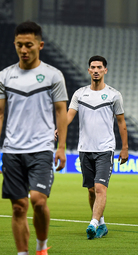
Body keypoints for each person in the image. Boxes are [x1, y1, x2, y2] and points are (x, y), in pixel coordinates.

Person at [0, 21, 68, 255]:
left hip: (41, 149)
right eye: (19, 45)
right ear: (15, 45)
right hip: (11, 150)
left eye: (29, 45)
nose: (23, 50)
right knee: (19, 208)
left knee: (38, 201)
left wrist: (61, 147)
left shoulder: (53, 75)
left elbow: (61, 111)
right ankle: (23, 253)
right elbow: (0, 113)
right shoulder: (5, 76)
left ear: (40, 45)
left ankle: (41, 247)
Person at [57, 55, 129, 240]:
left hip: (105, 149)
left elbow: (121, 123)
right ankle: (102, 223)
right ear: (88, 70)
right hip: (85, 148)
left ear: (105, 70)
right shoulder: (80, 94)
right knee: (91, 190)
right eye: (92, 67)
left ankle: (93, 223)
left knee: (100, 188)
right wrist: (59, 128)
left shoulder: (114, 95)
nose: (96, 70)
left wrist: (125, 147)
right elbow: (69, 115)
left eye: (99, 67)